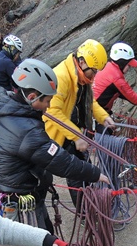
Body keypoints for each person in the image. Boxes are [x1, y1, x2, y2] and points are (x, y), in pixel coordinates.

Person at [0, 58, 110, 246]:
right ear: (32, 96)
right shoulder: (26, 131)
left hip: (20, 185)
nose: (50, 106)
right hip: (22, 194)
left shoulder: (1, 106)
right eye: (47, 100)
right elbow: (61, 162)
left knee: (46, 233)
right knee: (39, 244)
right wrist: (94, 173)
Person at [43, 39, 116, 206]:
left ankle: (89, 206)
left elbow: (89, 102)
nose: (94, 76)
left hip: (70, 130)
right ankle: (85, 212)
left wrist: (103, 117)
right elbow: (52, 111)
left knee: (84, 168)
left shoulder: (80, 78)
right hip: (58, 133)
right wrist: (76, 137)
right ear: (82, 62)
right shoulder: (61, 77)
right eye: (93, 71)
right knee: (76, 172)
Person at [93, 42, 137, 114]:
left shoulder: (107, 66)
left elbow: (114, 92)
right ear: (122, 63)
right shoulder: (117, 79)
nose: (129, 67)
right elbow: (134, 99)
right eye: (128, 65)